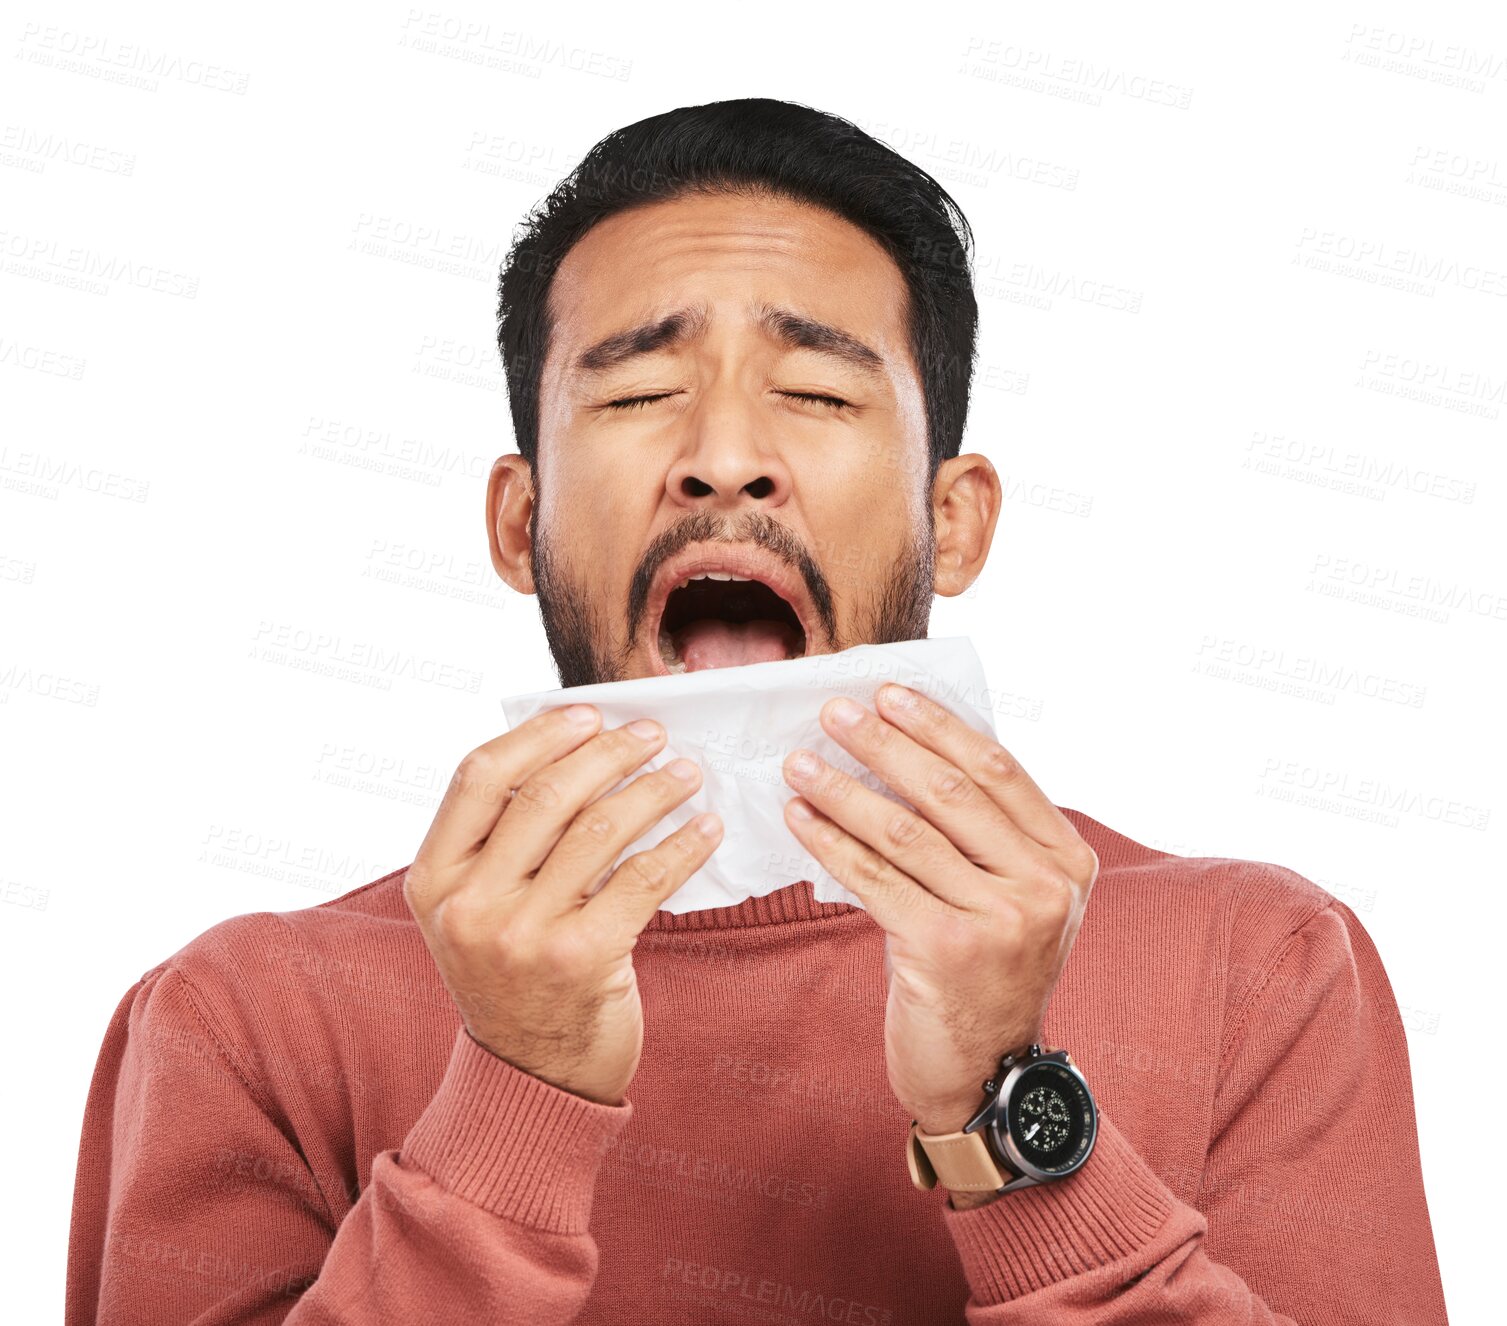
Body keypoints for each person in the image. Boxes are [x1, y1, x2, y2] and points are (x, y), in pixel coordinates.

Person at [66, 98, 1449, 1323]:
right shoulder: (243, 1020)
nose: (725, 459)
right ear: (520, 521)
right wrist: (514, 1097)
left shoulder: (1258, 967)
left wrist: (1002, 1108)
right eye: (643, 391)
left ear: (951, 521)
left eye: (814, 391)